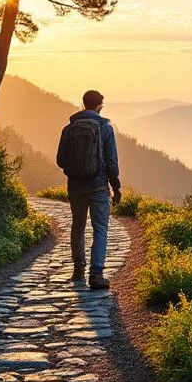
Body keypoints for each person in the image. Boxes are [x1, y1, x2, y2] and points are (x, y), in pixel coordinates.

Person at [56, 90, 121, 289]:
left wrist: (74, 171)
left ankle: (78, 270)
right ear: (99, 105)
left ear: (83, 104)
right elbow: (111, 161)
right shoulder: (105, 128)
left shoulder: (69, 128)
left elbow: (60, 160)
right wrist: (116, 186)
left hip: (76, 186)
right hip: (99, 185)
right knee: (100, 228)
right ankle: (96, 275)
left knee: (78, 227)